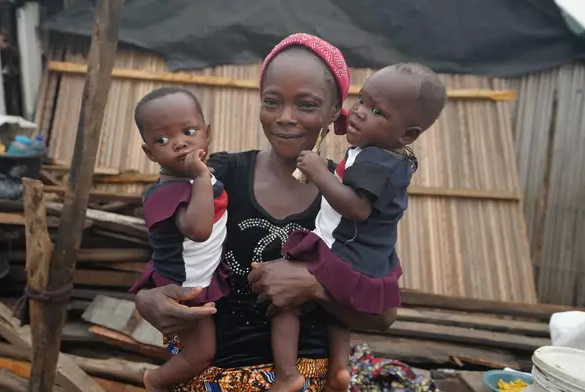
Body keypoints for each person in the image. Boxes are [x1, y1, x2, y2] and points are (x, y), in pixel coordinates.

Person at [134, 33, 399, 392]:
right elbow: (168, 259)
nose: (285, 118)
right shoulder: (218, 175)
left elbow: (383, 314)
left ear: (335, 110)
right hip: (210, 376)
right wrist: (147, 300)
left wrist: (315, 288)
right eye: (272, 102)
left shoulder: (350, 197)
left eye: (306, 105)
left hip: (304, 381)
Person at [284, 62, 447, 391]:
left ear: (407, 134)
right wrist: (340, 115)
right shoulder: (389, 152)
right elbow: (355, 123)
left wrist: (319, 173)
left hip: (346, 251)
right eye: (361, 99)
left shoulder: (375, 162)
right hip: (370, 256)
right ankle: (340, 369)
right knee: (336, 316)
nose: (358, 113)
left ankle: (286, 371)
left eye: (376, 111)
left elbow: (357, 208)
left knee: (285, 298)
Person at [129, 87, 231, 391]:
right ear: (149, 152)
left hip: (201, 276)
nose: (179, 143)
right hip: (181, 287)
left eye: (189, 131)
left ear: (207, 133)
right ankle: (155, 381)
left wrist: (201, 176)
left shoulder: (206, 174)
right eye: (163, 140)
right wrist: (200, 177)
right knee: (201, 353)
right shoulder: (163, 194)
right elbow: (199, 230)